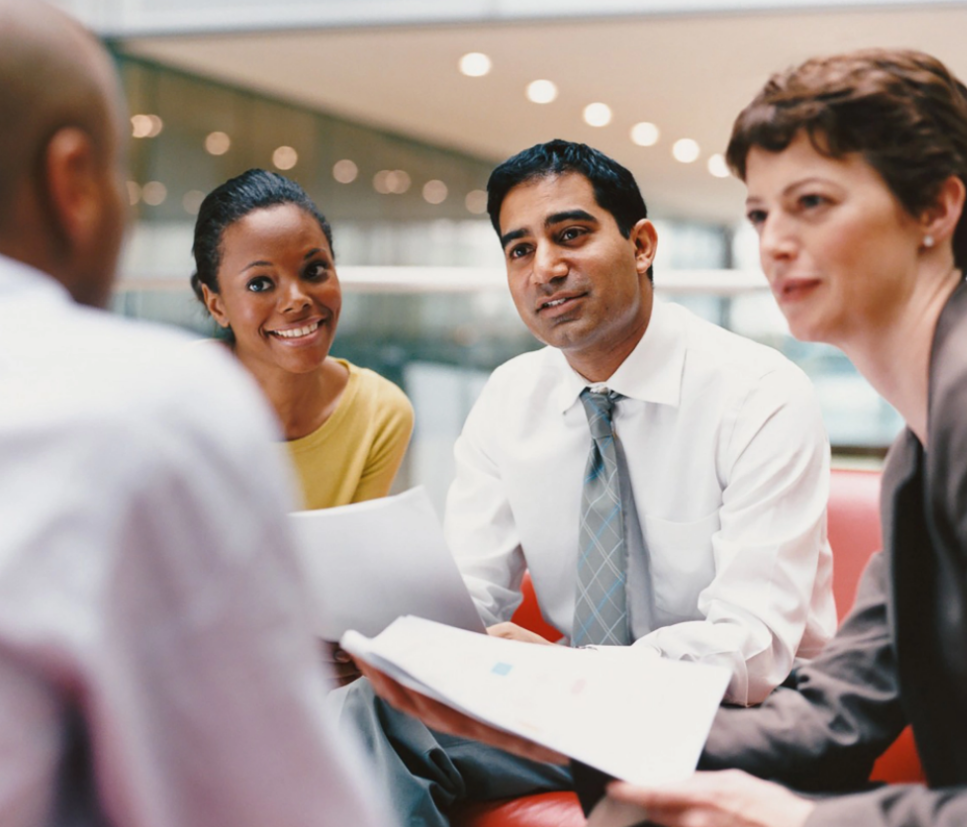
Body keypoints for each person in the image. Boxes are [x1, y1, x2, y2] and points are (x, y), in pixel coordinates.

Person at [361, 48, 967, 827]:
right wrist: (561, 710)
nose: (773, 242)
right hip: (701, 718)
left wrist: (799, 820)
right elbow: (848, 702)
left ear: (937, 210)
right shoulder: (931, 426)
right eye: (760, 214)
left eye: (811, 202)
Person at [341, 139, 836, 826]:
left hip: (737, 721)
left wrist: (570, 674)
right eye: (519, 250)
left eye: (570, 235)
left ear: (640, 245)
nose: (545, 267)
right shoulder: (509, 397)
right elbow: (465, 595)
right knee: (367, 711)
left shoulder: (760, 394)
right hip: (575, 713)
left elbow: (752, 647)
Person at [0, 3, 390, 825]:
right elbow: (276, 799)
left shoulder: (368, 407)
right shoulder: (154, 405)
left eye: (315, 267)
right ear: (73, 181)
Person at [190, 169, 414, 511]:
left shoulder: (380, 414)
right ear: (216, 303)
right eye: (260, 284)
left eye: (313, 271)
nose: (297, 300)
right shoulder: (173, 398)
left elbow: (352, 555)